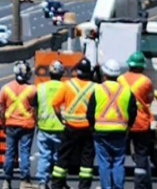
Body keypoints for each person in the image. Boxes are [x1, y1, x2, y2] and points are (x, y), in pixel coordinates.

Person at [50, 57, 97, 189]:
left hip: (70, 128)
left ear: (77, 71)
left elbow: (55, 104)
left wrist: (62, 120)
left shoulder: (67, 85)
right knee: (87, 160)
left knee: (63, 157)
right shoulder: (95, 88)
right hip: (88, 129)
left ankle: (57, 184)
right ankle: (84, 186)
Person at [92, 59, 136, 189]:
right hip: (120, 131)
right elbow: (133, 111)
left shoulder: (97, 89)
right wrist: (128, 127)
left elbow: (90, 111)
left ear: (104, 74)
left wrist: (92, 128)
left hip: (100, 131)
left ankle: (106, 187)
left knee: (104, 163)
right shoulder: (127, 91)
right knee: (118, 162)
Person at [0, 60, 38, 189]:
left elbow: (1, 109)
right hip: (27, 125)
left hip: (10, 124)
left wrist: (4, 123)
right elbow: (36, 108)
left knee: (9, 152)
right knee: (25, 153)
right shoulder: (32, 89)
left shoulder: (5, 89)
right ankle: (24, 181)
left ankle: (7, 180)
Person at [120, 51, 155, 189]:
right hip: (141, 123)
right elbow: (150, 99)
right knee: (141, 155)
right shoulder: (146, 82)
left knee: (119, 155)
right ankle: (140, 185)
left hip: (123, 122)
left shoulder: (120, 79)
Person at [36, 61, 67, 188]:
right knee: (58, 156)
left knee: (44, 155)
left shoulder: (41, 87)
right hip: (60, 126)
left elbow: (36, 106)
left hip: (43, 125)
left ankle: (42, 182)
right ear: (62, 74)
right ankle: (58, 181)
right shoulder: (65, 87)